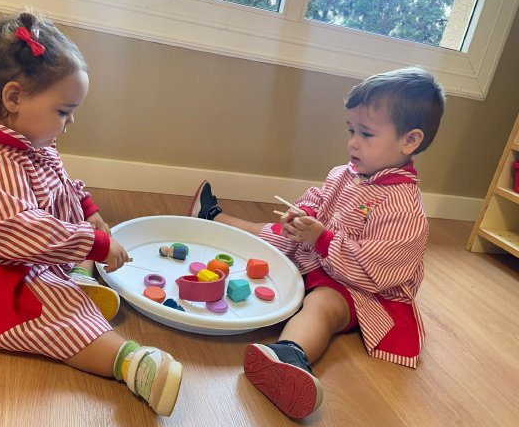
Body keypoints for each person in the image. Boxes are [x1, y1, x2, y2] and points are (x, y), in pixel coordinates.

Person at [0, 11, 182, 417]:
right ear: (14, 98)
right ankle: (129, 362)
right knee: (45, 310)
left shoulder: (26, 133)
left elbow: (57, 179)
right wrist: (93, 243)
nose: (70, 123)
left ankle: (77, 275)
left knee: (77, 240)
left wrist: (86, 209)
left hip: (31, 238)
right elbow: (19, 234)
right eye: (64, 111)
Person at [188, 66, 445, 419]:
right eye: (351, 130)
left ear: (409, 141)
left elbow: (376, 271)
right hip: (320, 257)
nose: (353, 142)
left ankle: (290, 355)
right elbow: (321, 198)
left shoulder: (404, 208)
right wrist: (304, 213)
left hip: (357, 287)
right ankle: (212, 218)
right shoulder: (346, 173)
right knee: (272, 234)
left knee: (323, 305)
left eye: (366, 134)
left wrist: (323, 240)